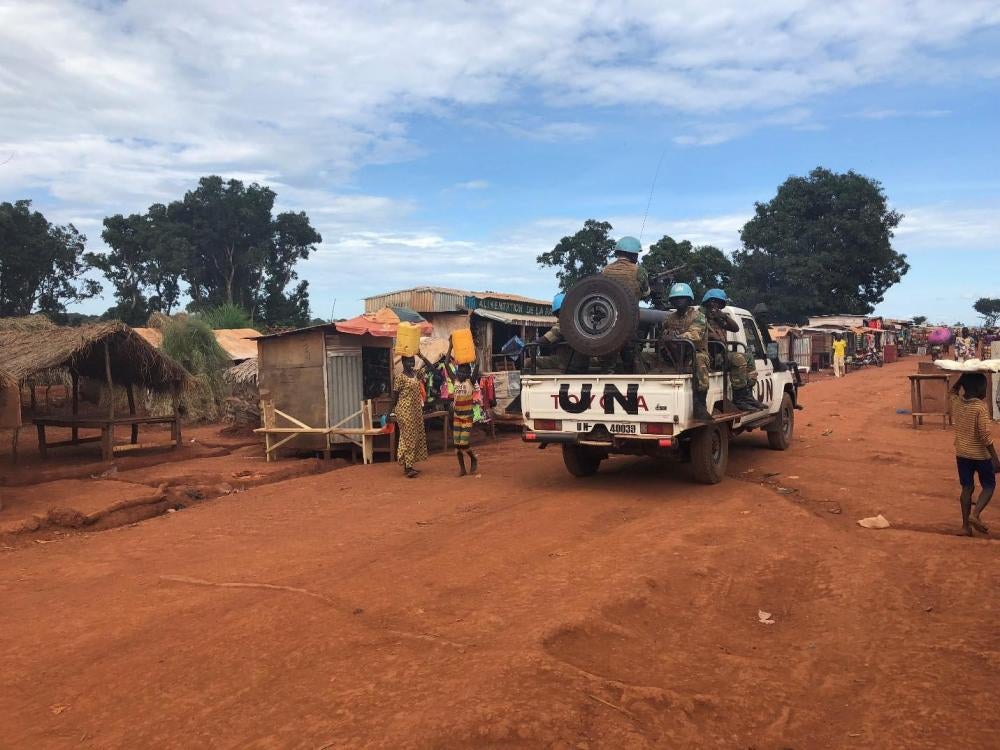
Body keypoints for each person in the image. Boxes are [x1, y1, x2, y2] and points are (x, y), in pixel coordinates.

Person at [950, 373, 999, 536]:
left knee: (967, 488)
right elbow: (985, 436)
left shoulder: (957, 403)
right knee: (989, 485)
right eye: (984, 386)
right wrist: (995, 458)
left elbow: (952, 391)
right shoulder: (979, 407)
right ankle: (975, 514)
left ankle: (965, 527)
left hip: (962, 454)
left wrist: (964, 376)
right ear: (978, 389)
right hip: (980, 455)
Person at [701, 288, 765, 411]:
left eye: (719, 304)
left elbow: (735, 328)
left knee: (749, 357)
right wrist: (712, 335)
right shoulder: (700, 316)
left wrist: (723, 316)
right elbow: (703, 334)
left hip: (720, 353)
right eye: (715, 302)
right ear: (708, 302)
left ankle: (747, 395)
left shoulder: (716, 317)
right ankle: (739, 399)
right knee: (738, 358)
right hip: (710, 355)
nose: (717, 306)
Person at [660, 282, 711, 421]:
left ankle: (700, 404)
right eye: (676, 298)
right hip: (674, 355)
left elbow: (695, 335)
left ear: (689, 300)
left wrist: (676, 337)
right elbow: (662, 333)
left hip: (694, 354)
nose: (679, 301)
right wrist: (665, 337)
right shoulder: (669, 318)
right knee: (646, 356)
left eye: (682, 298)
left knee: (700, 360)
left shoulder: (698, 316)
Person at [601, 236, 651, 372]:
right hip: (629, 321)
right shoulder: (638, 270)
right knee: (631, 356)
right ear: (633, 254)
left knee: (608, 358)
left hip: (608, 321)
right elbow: (646, 293)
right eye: (637, 254)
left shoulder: (606, 270)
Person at [388, 353, 432, 478]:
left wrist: (421, 355)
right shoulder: (400, 378)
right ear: (402, 362)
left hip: (416, 410)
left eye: (412, 361)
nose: (411, 364)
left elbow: (430, 367)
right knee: (409, 437)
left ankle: (408, 464)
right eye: (408, 361)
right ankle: (408, 468)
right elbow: (395, 396)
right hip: (404, 410)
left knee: (412, 436)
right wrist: (389, 412)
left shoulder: (416, 374)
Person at [445, 361, 479, 477]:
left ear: (469, 373)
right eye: (460, 371)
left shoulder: (470, 382)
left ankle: (473, 457)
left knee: (464, 443)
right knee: (457, 447)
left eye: (465, 372)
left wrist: (477, 350)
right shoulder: (455, 380)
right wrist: (450, 346)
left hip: (467, 417)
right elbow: (445, 363)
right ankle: (462, 469)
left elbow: (477, 365)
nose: (461, 373)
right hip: (457, 417)